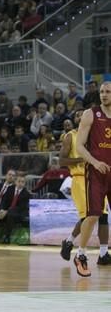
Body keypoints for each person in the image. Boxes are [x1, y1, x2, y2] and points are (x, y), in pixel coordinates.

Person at [58, 109, 110, 264]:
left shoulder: (96, 136)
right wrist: (81, 160)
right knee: (88, 216)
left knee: (103, 217)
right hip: (80, 179)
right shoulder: (71, 136)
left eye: (83, 114)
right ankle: (69, 242)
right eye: (77, 115)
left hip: (100, 178)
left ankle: (103, 254)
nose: (80, 116)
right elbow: (61, 161)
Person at [73, 82, 111, 277]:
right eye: (102, 92)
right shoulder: (90, 114)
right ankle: (80, 255)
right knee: (94, 214)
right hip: (95, 172)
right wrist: (95, 162)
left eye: (108, 92)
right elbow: (79, 146)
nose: (104, 95)